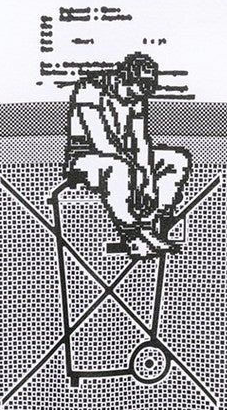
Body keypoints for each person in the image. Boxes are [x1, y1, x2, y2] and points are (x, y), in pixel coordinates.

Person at [63, 52, 191, 259]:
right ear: (121, 78)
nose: (136, 98)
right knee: (119, 168)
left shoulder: (136, 98)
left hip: (124, 158)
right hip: (85, 159)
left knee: (177, 160)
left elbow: (140, 141)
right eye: (133, 90)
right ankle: (131, 234)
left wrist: (147, 175)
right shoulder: (89, 89)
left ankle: (148, 226)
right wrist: (136, 170)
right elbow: (100, 142)